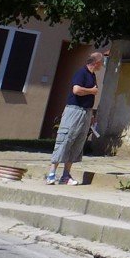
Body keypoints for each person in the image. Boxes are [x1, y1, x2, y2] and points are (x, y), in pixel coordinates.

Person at [46, 49, 106, 185]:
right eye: (101, 63)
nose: (102, 65)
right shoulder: (82, 73)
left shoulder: (92, 75)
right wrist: (92, 91)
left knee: (78, 142)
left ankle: (66, 175)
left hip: (86, 111)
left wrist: (91, 115)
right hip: (74, 111)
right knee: (65, 139)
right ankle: (51, 173)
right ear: (96, 63)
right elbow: (76, 90)